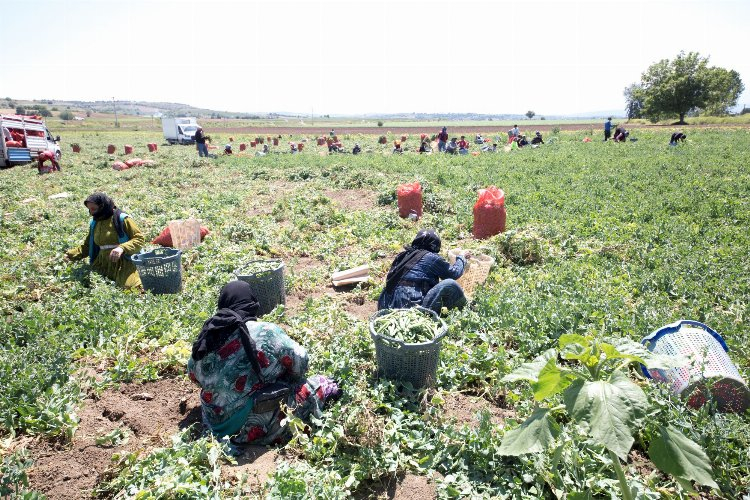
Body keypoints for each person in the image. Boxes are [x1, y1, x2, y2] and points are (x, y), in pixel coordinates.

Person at [188, 281, 341, 449]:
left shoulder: (207, 337)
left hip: (215, 426)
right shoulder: (265, 332)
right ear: (252, 305)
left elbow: (194, 376)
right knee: (320, 384)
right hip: (254, 426)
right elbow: (301, 364)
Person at [65, 193, 145, 288]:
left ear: (102, 206)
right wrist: (70, 255)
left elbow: (139, 238)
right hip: (102, 263)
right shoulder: (95, 223)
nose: (91, 212)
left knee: (129, 287)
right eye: (89, 209)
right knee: (89, 283)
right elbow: (87, 246)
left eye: (93, 209)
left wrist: (122, 248)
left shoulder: (122, 219)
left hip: (124, 261)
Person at [377, 229, 467, 314]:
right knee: (450, 284)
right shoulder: (430, 257)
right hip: (410, 305)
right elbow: (454, 273)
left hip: (386, 305)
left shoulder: (402, 256)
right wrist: (461, 257)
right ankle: (467, 309)